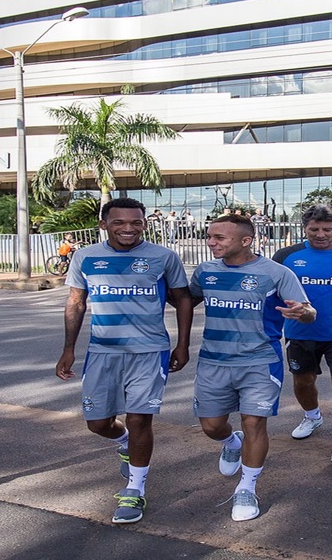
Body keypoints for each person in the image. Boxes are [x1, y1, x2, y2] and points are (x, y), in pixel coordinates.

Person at [56, 197, 192, 524]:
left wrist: (182, 344)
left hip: (149, 352)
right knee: (98, 423)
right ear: (104, 224)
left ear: (145, 223)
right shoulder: (86, 257)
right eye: (119, 222)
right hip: (103, 351)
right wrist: (68, 348)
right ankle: (124, 442)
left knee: (140, 419)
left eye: (136, 222)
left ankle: (135, 489)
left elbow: (183, 300)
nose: (128, 228)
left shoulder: (163, 257)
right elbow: (76, 303)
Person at [189, 214, 316, 522]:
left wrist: (303, 313)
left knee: (254, 424)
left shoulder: (276, 273)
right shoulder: (205, 271)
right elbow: (183, 302)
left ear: (246, 241)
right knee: (211, 426)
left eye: (220, 238)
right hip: (213, 361)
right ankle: (231, 444)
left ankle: (247, 487)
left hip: (260, 362)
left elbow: (308, 311)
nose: (211, 242)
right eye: (210, 236)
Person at [271, 205, 332, 467]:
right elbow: (270, 291)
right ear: (305, 228)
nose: (321, 234)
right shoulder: (287, 255)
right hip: (299, 333)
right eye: (314, 229)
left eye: (328, 229)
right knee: (303, 382)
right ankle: (312, 416)